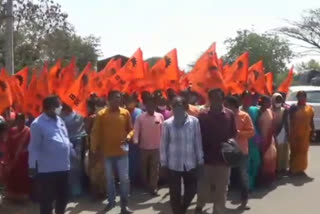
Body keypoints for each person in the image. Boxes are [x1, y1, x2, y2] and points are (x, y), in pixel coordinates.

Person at [28, 95, 73, 214]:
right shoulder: (37, 124)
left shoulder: (60, 120)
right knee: (47, 202)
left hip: (64, 167)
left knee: (63, 198)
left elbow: (66, 139)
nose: (61, 107)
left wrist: (72, 152)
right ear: (50, 107)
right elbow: (34, 147)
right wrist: (32, 166)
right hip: (48, 170)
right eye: (58, 105)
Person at [91, 91, 133, 214]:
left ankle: (124, 205)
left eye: (119, 98)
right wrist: (94, 149)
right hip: (107, 153)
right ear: (109, 100)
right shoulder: (101, 114)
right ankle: (111, 202)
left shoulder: (125, 113)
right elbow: (96, 133)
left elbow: (131, 129)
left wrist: (129, 137)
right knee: (109, 179)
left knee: (124, 179)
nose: (117, 100)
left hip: (122, 153)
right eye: (115, 98)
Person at [195, 88, 237, 214]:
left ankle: (218, 211)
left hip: (223, 160)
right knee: (203, 188)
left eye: (219, 98)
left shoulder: (229, 115)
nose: (216, 100)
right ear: (209, 99)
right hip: (206, 159)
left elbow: (233, 133)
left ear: (223, 99)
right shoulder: (202, 116)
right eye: (213, 98)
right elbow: (197, 136)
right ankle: (199, 206)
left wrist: (230, 145)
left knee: (222, 189)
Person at [160, 96, 204, 214]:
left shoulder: (194, 122)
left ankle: (183, 208)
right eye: (175, 106)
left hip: (190, 162)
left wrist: (200, 161)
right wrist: (163, 164)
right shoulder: (167, 124)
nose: (177, 108)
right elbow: (163, 145)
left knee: (192, 190)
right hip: (173, 164)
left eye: (180, 105)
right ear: (172, 108)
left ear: (185, 106)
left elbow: (197, 142)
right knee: (175, 193)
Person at [225, 96, 254, 209]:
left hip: (241, 151)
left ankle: (244, 200)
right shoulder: (225, 115)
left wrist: (239, 133)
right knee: (225, 177)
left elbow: (251, 132)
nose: (225, 106)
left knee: (243, 176)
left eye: (227, 104)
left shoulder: (244, 116)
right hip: (227, 151)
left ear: (233, 105)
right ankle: (221, 201)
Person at [134, 95, 164, 196]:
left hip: (156, 147)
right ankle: (145, 185)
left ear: (155, 106)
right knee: (144, 168)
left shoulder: (160, 116)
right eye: (149, 105)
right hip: (144, 147)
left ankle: (153, 187)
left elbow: (163, 131)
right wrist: (135, 139)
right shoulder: (140, 117)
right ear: (146, 106)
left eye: (153, 105)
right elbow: (136, 130)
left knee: (154, 168)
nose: (151, 107)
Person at [2, 113, 32, 201]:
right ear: (16, 121)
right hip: (12, 158)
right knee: (12, 176)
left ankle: (23, 196)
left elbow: (31, 145)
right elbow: (8, 144)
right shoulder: (12, 130)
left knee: (22, 177)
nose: (20, 122)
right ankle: (12, 195)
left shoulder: (28, 131)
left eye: (21, 121)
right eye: (18, 120)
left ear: (24, 121)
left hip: (23, 159)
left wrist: (22, 151)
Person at [61, 103, 87, 197]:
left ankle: (77, 190)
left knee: (77, 167)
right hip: (64, 144)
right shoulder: (60, 116)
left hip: (78, 143)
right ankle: (67, 190)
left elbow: (83, 130)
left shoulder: (79, 113)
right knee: (67, 167)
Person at [289, 91, 314, 175]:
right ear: (297, 98)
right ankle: (293, 169)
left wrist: (313, 132)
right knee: (295, 151)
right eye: (300, 96)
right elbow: (289, 120)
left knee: (303, 151)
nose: (302, 98)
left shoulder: (309, 108)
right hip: (294, 133)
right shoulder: (294, 108)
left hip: (305, 133)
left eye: (303, 96)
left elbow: (311, 121)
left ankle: (301, 169)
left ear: (306, 98)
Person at [85, 98, 106, 199]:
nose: (101, 107)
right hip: (94, 149)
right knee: (94, 171)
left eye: (102, 105)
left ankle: (103, 191)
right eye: (98, 105)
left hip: (105, 148)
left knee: (104, 171)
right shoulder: (91, 118)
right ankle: (94, 193)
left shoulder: (107, 117)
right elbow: (87, 132)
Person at [240, 91, 261, 190]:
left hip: (254, 140)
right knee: (245, 166)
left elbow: (258, 125)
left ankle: (251, 181)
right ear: (242, 99)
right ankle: (247, 186)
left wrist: (259, 139)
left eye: (250, 98)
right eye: (246, 98)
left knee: (256, 162)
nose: (248, 100)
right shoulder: (238, 111)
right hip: (242, 141)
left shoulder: (255, 110)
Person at [257, 96, 277, 185]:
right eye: (267, 102)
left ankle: (269, 179)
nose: (269, 104)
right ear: (262, 102)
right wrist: (259, 141)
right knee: (261, 159)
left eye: (269, 102)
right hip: (260, 139)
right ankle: (261, 180)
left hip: (270, 139)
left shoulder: (270, 111)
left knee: (271, 159)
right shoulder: (257, 112)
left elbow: (273, 125)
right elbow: (255, 127)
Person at [125, 95, 143, 185]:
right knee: (128, 162)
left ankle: (138, 179)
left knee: (138, 160)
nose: (130, 103)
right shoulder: (124, 112)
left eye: (131, 100)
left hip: (138, 140)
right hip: (127, 140)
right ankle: (130, 181)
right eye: (128, 100)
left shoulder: (139, 111)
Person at [271, 93, 289, 174]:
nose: (278, 102)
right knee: (274, 152)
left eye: (279, 100)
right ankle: (274, 168)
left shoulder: (283, 110)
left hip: (281, 132)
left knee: (282, 151)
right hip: (271, 132)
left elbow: (285, 122)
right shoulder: (269, 110)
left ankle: (281, 168)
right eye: (276, 100)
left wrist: (287, 133)